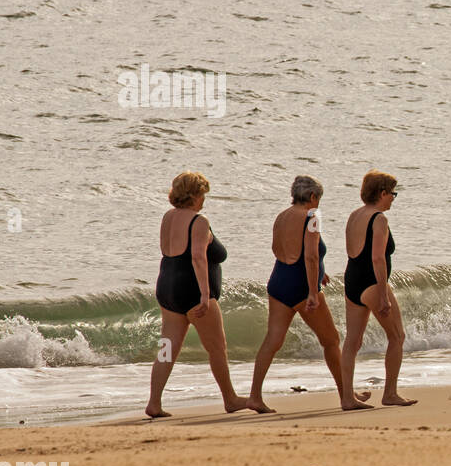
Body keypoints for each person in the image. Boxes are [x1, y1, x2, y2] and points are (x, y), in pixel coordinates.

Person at [247, 176, 372, 413]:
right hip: (301, 286)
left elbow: (280, 250)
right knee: (332, 340)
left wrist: (320, 273)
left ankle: (254, 396)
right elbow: (311, 255)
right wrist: (313, 291)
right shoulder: (312, 217)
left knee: (272, 341)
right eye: (319, 199)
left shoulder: (281, 216)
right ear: (313, 197)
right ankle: (347, 397)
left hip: (278, 281)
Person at [147, 171, 246, 418]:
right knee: (217, 348)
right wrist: (204, 295)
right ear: (194, 195)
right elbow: (198, 257)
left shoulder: (168, 217)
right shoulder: (198, 221)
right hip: (192, 290)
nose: (204, 200)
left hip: (167, 287)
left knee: (166, 348)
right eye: (202, 194)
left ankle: (154, 403)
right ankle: (230, 399)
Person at [340, 169, 417, 408]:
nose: (394, 198)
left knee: (352, 342)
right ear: (382, 193)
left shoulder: (354, 215)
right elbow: (377, 259)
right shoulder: (379, 219)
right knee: (397, 336)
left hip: (352, 280)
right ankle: (390, 393)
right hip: (372, 283)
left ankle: (347, 398)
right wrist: (383, 295)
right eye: (393, 193)